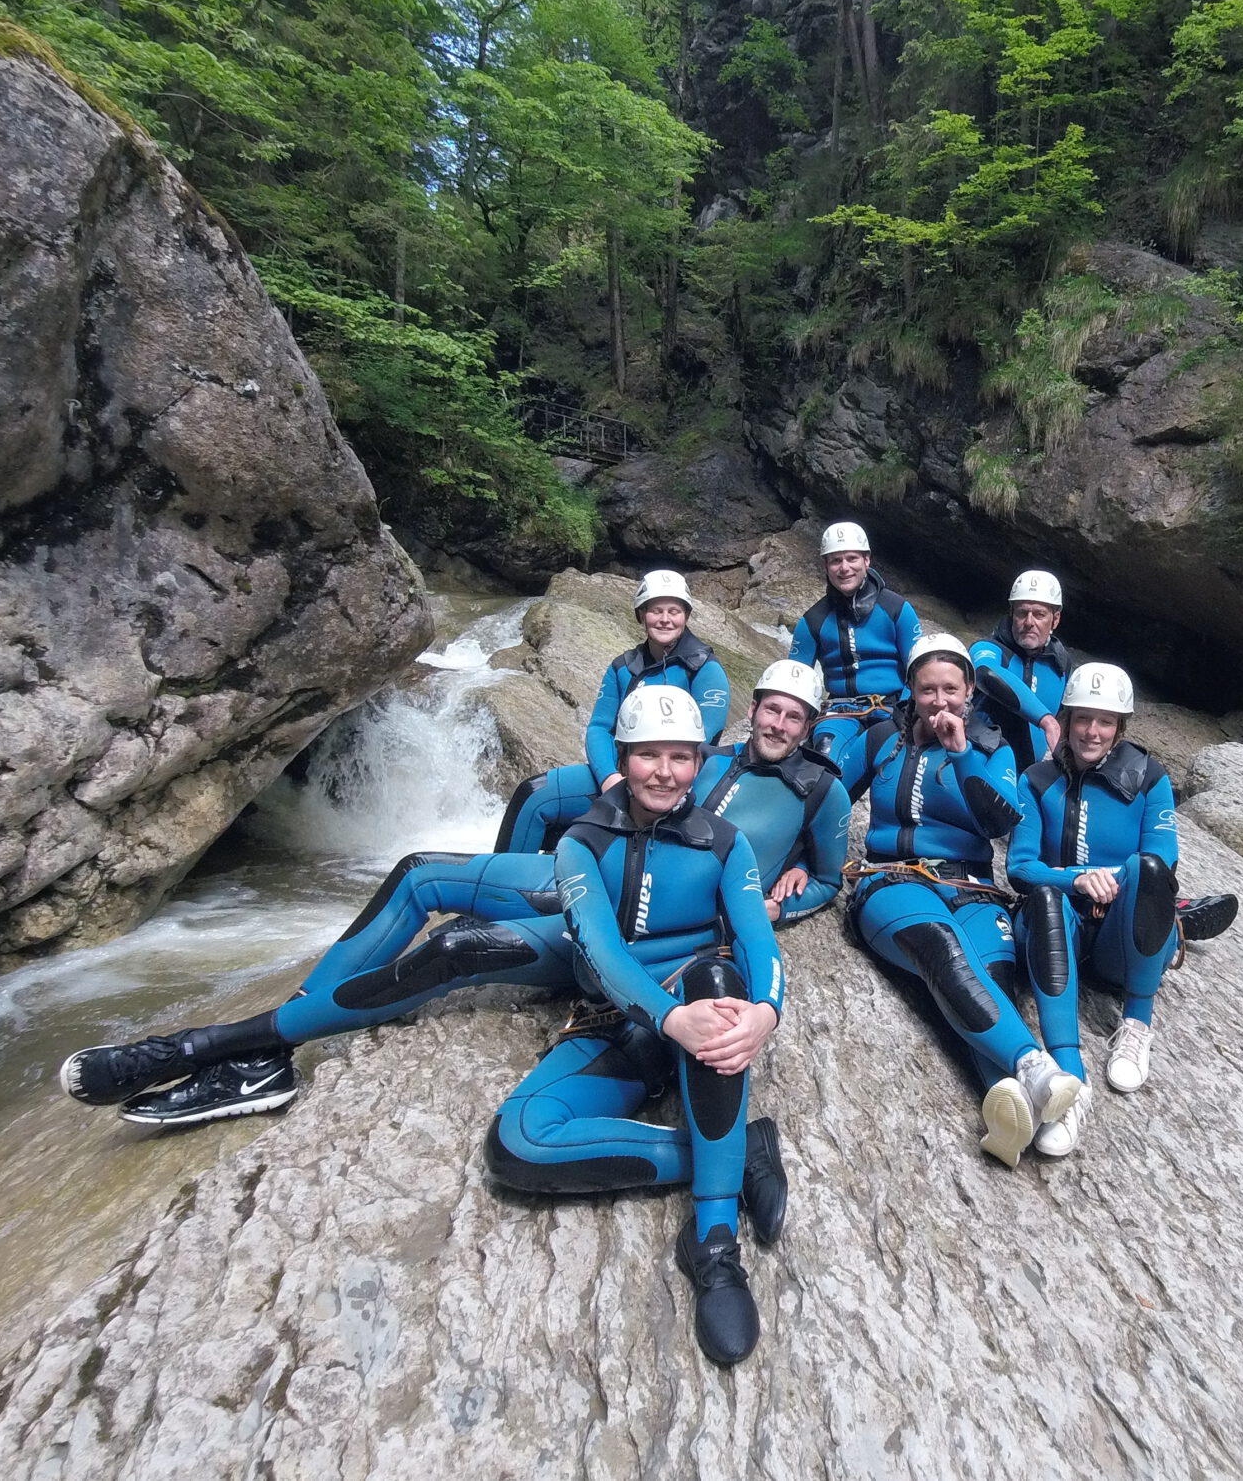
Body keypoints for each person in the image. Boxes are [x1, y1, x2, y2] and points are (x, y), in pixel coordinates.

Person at [58, 663, 845, 1128]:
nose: (779, 722)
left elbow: (832, 877)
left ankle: (255, 1048)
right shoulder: (706, 755)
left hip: (665, 915)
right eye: (771, 708)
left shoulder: (819, 791)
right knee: (419, 872)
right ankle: (295, 1019)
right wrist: (588, 789)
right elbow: (612, 782)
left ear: (812, 725)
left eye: (794, 715)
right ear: (753, 710)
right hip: (592, 874)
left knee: (457, 947)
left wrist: (790, 894)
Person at [484, 686, 784, 1365]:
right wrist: (670, 1018)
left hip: (699, 1017)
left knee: (722, 978)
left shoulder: (725, 843)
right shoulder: (581, 844)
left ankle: (713, 1241)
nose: (664, 771)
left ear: (699, 762)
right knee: (517, 1144)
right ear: (624, 756)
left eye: (681, 757)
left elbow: (760, 943)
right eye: (649, 754)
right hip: (623, 1023)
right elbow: (601, 951)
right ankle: (740, 1150)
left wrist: (766, 1012)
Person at [837, 633, 1086, 1168]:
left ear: (970, 690)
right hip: (893, 880)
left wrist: (961, 754)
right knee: (945, 953)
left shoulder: (995, 749)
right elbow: (829, 795)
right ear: (910, 689)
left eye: (951, 688)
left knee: (992, 981)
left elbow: (999, 822)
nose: (939, 701)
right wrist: (797, 863)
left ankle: (1011, 1112)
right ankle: (1035, 1067)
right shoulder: (883, 738)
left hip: (973, 886)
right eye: (927, 690)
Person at [1008, 663, 1238, 1133]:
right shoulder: (1035, 779)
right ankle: (1070, 1074)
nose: (1092, 731)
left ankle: (1136, 1022)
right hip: (1061, 931)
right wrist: (1076, 879)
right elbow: (1019, 867)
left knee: (1149, 872)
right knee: (1047, 895)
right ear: (1066, 719)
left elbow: (1161, 856)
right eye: (1082, 719)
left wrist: (1110, 877)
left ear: (1120, 728)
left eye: (1105, 721)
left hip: (1116, 935)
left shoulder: (1149, 779)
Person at [585, 570, 731, 790]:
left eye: (674, 611)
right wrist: (609, 778)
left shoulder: (705, 669)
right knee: (538, 795)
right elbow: (599, 728)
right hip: (621, 777)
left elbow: (703, 741)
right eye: (656, 611)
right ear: (642, 614)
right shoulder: (622, 668)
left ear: (686, 616)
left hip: (678, 783)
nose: (665, 620)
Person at [788, 522, 923, 757]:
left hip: (893, 708)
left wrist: (908, 709)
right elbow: (793, 681)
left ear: (866, 561)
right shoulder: (813, 621)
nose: (844, 568)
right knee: (825, 754)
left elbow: (920, 669)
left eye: (852, 559)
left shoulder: (897, 610)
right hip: (840, 710)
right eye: (835, 561)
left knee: (889, 761)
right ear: (826, 566)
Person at [970, 569, 1072, 773]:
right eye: (1022, 612)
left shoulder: (1061, 665)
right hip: (979, 765)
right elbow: (987, 673)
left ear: (1056, 619)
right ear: (1011, 614)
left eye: (1040, 614)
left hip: (1026, 777)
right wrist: (1045, 720)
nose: (1029, 622)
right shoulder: (989, 649)